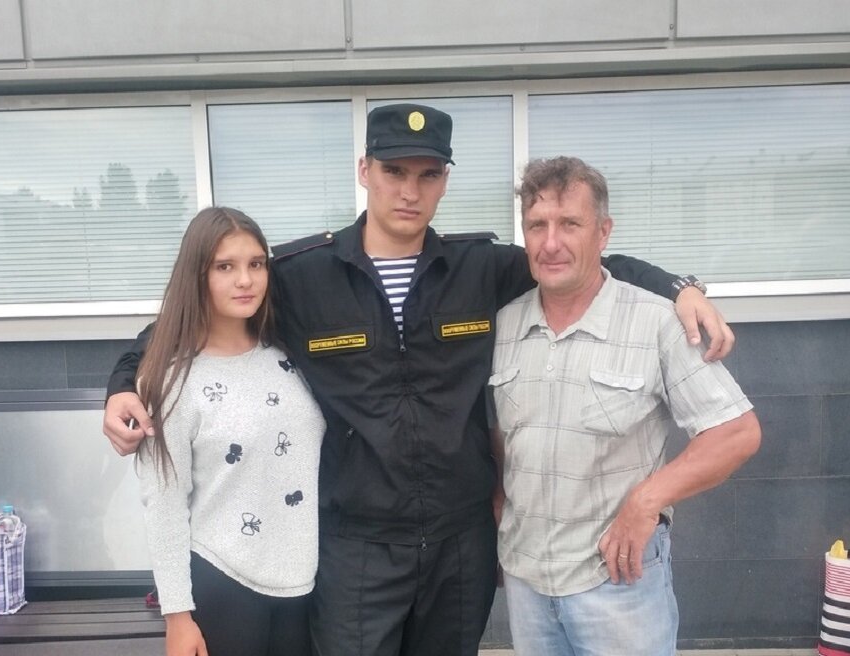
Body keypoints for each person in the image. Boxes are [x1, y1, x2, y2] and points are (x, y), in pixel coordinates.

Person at [104, 104, 734, 656]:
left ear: (444, 181)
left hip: (460, 544)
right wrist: (124, 381)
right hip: (358, 545)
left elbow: (583, 261)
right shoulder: (304, 277)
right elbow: (195, 315)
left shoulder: (478, 269)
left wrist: (679, 289)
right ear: (365, 171)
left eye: (427, 174)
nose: (409, 190)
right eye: (394, 171)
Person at [489, 156, 762, 656]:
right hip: (527, 582)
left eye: (570, 224)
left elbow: (736, 432)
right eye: (537, 225)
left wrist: (646, 501)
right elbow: (504, 432)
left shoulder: (656, 323)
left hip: (618, 584)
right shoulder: (504, 326)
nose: (551, 243)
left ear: (603, 232)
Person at [135, 207, 325, 656]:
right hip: (223, 583)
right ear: (197, 276)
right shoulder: (171, 381)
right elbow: (164, 504)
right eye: (225, 267)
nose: (245, 280)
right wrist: (177, 616)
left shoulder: (291, 355)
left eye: (256, 264)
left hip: (305, 582)